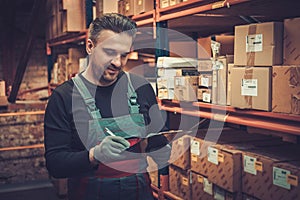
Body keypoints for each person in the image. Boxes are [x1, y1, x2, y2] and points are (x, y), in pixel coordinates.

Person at [44, 13, 171, 200]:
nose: (117, 63)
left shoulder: (141, 88)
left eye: (124, 55)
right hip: (89, 192)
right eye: (109, 52)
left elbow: (158, 145)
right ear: (90, 46)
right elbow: (56, 165)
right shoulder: (64, 97)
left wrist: (167, 145)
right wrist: (94, 155)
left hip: (138, 189)